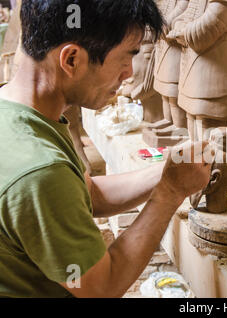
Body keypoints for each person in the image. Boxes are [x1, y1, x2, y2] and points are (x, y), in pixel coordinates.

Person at [0, 0, 211, 298]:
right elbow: (102, 287)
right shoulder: (41, 170)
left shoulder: (15, 111)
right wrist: (171, 192)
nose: (129, 74)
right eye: (127, 58)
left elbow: (89, 194)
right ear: (72, 59)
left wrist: (170, 170)